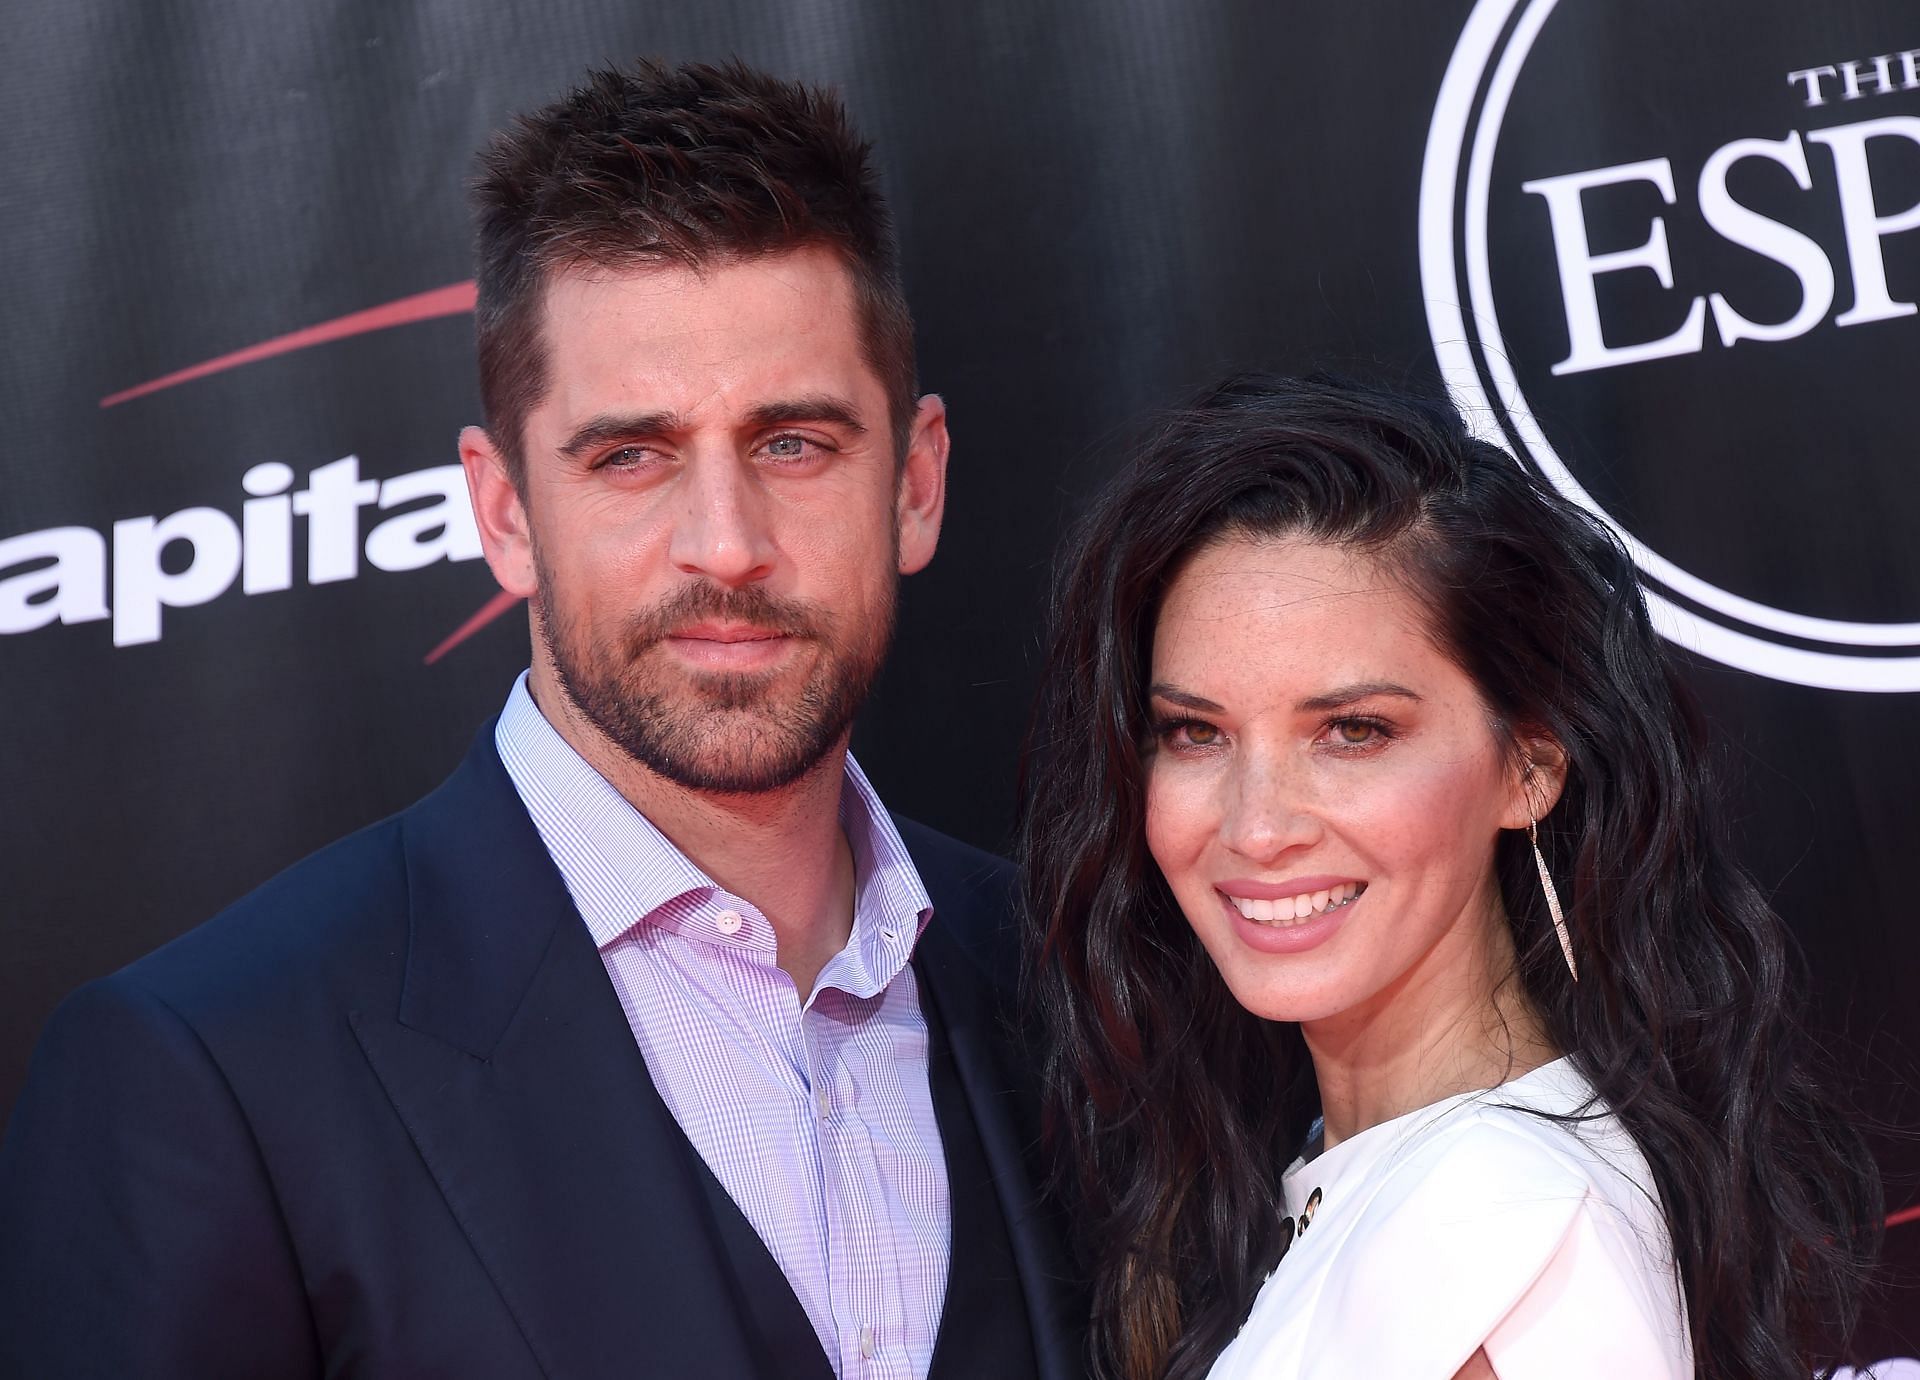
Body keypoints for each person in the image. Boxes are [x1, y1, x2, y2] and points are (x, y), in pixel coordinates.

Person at [0, 59, 1078, 1380]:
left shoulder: (1068, 988)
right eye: (632, 455)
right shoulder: (213, 1073)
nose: (725, 544)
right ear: (504, 510)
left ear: (914, 486)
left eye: (794, 442)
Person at [1019, 374, 1882, 1380]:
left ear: (1530, 764)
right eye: (1193, 733)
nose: (1256, 826)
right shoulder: (1398, 1181)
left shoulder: (1486, 1224)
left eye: (1352, 731)